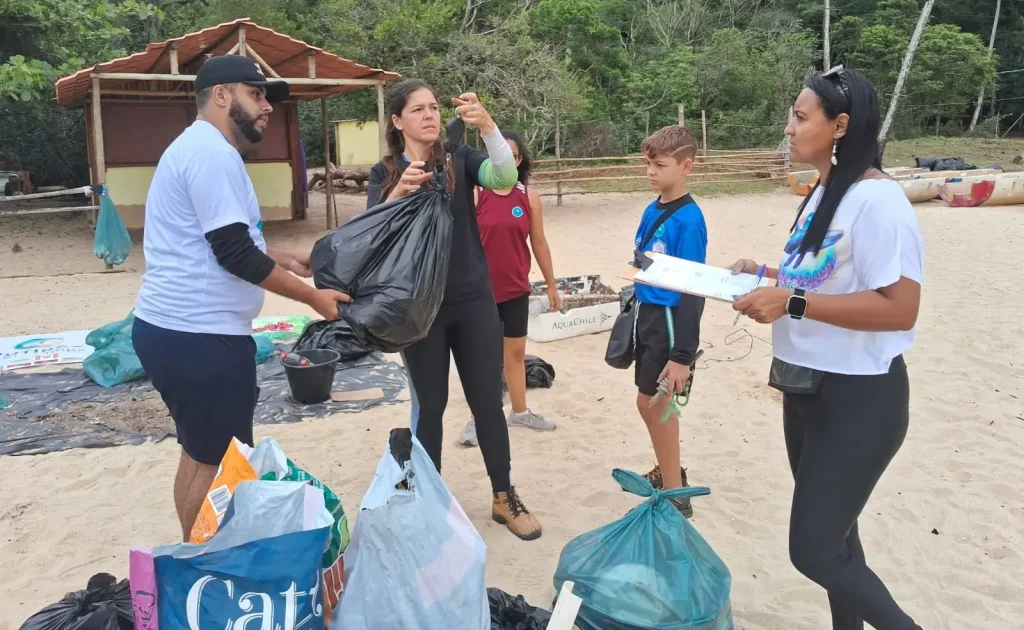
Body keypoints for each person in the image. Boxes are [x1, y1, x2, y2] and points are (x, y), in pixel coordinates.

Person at [731, 66, 923, 629]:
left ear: (840, 125)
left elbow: (899, 307)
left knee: (813, 550)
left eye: (799, 116)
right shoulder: (823, 192)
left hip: (860, 398)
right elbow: (821, 279)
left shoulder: (878, 201)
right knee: (840, 542)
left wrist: (789, 304)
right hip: (805, 386)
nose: (788, 129)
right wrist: (762, 273)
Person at [132, 55, 350, 541]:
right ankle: (201, 563)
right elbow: (235, 255)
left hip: (175, 331)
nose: (267, 106)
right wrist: (313, 298)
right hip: (200, 336)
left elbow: (224, 237)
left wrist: (284, 257)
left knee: (200, 452)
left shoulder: (198, 147)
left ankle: (192, 553)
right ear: (221, 95)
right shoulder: (212, 155)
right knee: (218, 463)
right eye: (256, 94)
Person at [365, 79, 542, 541]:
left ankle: (504, 495)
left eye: (432, 107)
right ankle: (430, 500)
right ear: (397, 121)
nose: (427, 115)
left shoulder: (460, 160)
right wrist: (399, 191)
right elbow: (371, 232)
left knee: (487, 400)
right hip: (419, 310)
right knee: (432, 406)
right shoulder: (384, 172)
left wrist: (489, 129)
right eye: (416, 109)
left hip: (473, 300)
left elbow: (505, 178)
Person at [456, 131, 560, 447]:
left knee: (514, 355)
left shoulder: (528, 197)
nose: (506, 161)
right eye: (497, 155)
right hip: (479, 293)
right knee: (483, 359)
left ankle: (520, 411)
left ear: (518, 161)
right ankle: (478, 419)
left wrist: (552, 284)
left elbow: (539, 242)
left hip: (516, 289)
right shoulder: (475, 194)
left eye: (512, 156)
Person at [630, 125, 706, 518]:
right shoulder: (652, 208)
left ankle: (677, 492)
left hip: (671, 321)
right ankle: (670, 468)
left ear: (686, 166)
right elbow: (644, 257)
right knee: (649, 402)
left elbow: (694, 287)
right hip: (647, 315)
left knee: (656, 403)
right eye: (648, 164)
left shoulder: (689, 220)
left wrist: (683, 355)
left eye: (659, 165)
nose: (651, 172)